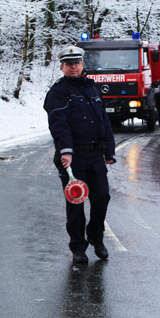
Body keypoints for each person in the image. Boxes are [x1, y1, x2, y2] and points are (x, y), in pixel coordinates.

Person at [43, 45, 116, 264]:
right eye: (69, 64)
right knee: (75, 202)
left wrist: (109, 150)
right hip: (73, 157)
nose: (73, 67)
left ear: (83, 64)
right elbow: (59, 124)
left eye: (77, 63)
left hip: (95, 154)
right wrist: (66, 151)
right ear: (62, 66)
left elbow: (104, 122)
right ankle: (78, 247)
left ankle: (96, 237)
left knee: (101, 197)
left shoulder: (91, 88)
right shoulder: (57, 92)